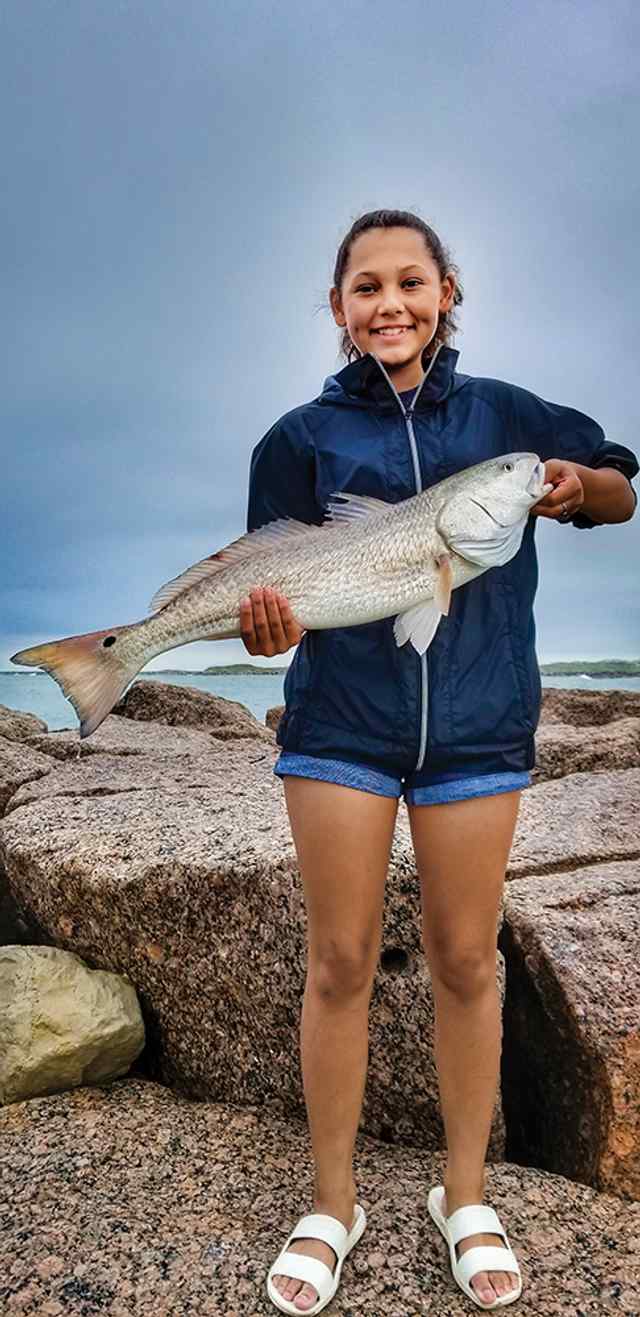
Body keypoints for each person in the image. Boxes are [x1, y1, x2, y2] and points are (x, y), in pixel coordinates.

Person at [241, 209, 638, 1314]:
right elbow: (268, 578)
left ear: (447, 290)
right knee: (340, 962)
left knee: (467, 960)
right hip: (337, 729)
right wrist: (263, 626)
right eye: (364, 286)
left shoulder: (509, 418)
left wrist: (569, 483)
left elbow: (617, 488)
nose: (389, 304)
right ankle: (332, 1201)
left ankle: (462, 1195)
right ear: (336, 308)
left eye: (410, 281)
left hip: (476, 728)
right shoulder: (295, 440)